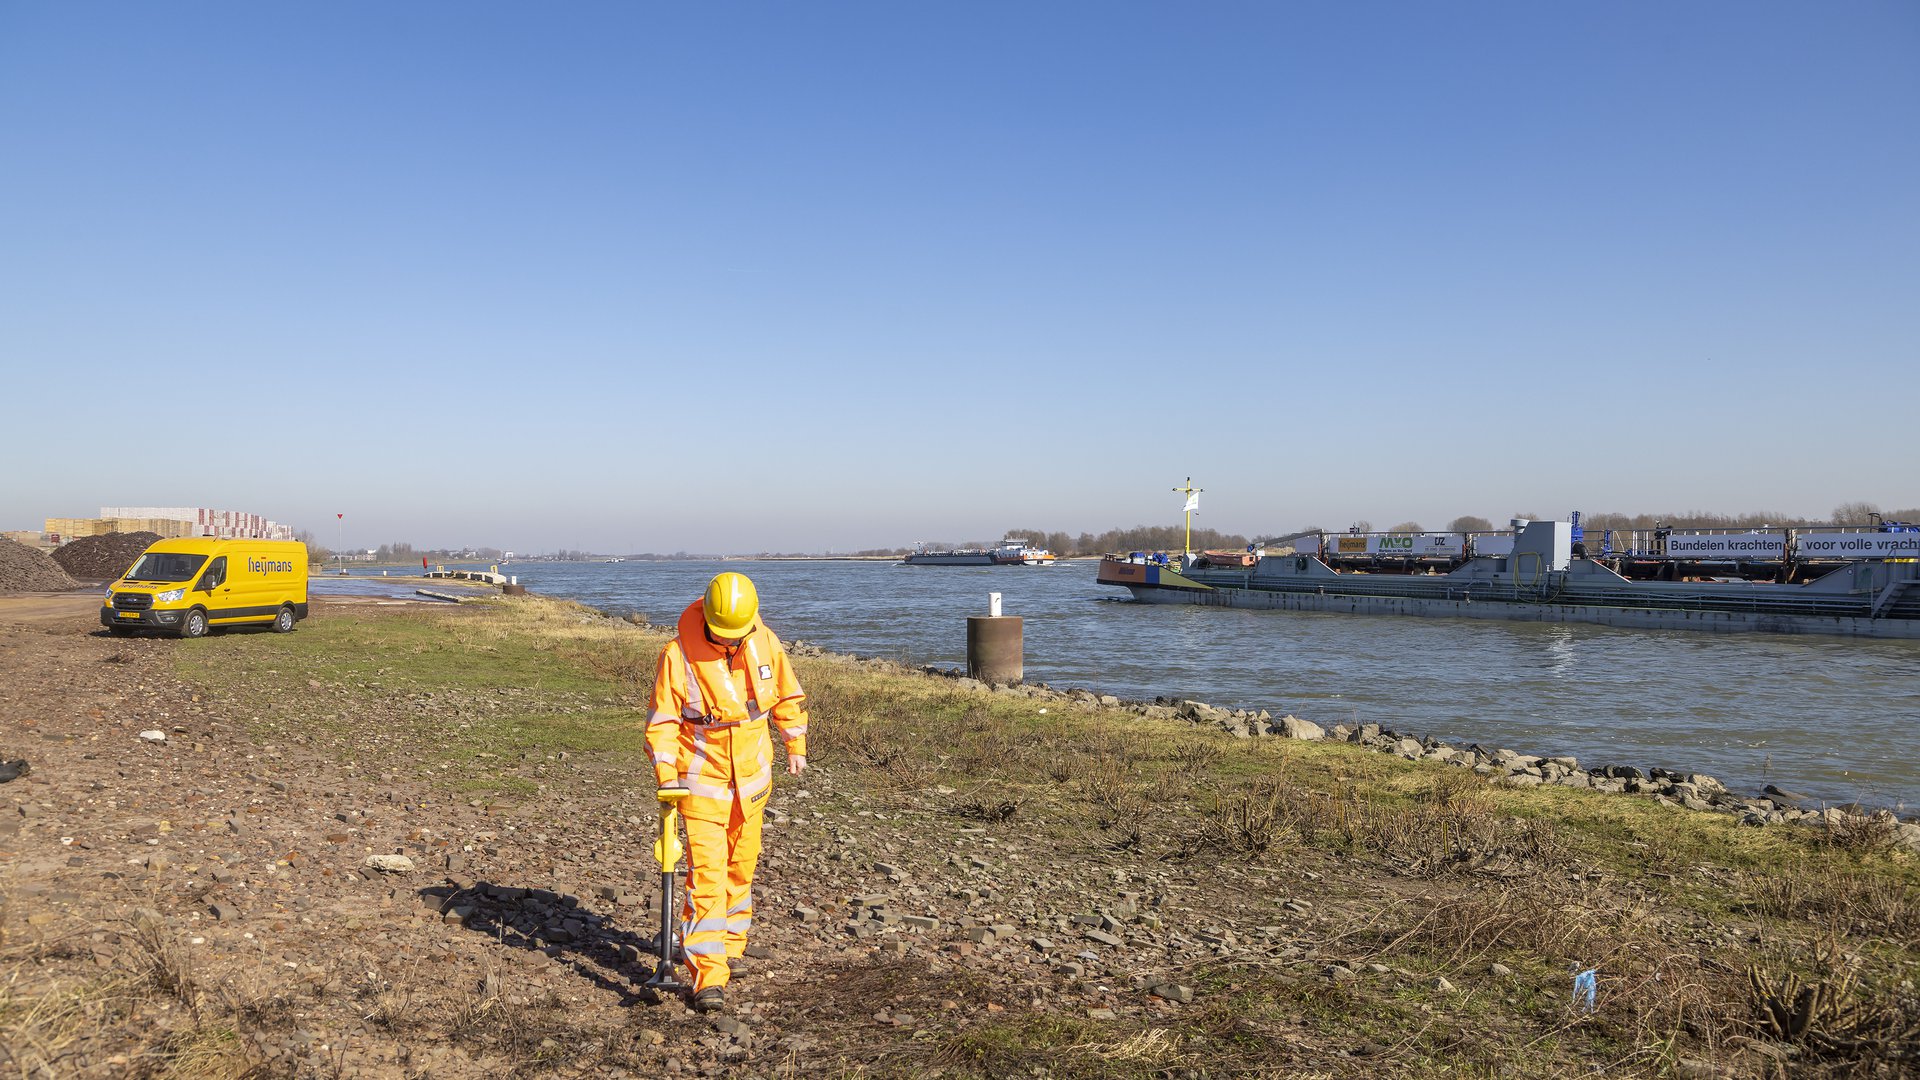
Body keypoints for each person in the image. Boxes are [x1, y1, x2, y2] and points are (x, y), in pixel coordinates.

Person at [646, 571, 808, 1013]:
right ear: (707, 618)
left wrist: (796, 745)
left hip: (753, 782)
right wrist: (666, 777)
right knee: (708, 878)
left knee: (742, 868)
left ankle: (732, 949)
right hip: (701, 786)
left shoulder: (765, 640)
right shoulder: (677, 656)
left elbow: (788, 697)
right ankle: (707, 974)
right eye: (724, 634)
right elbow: (661, 724)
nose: (732, 642)